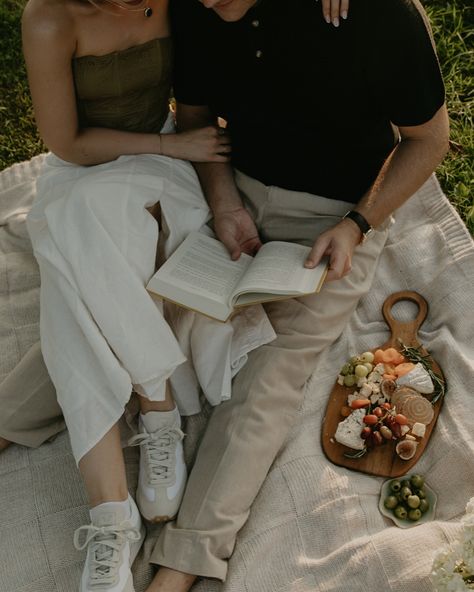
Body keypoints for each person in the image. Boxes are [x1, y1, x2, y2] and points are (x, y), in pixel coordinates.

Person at [16, 1, 348, 592]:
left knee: (75, 270)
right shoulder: (49, 19)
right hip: (97, 163)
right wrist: (175, 147)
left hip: (168, 161)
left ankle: (111, 515)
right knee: (79, 226)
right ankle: (153, 424)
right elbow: (66, 143)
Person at [140, 1, 450, 591]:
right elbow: (195, 113)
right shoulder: (198, 5)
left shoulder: (377, 13)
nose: (207, 3)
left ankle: (184, 561)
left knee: (271, 374)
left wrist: (358, 225)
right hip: (231, 191)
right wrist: (224, 200)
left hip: (336, 218)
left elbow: (430, 138)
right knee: (129, 304)